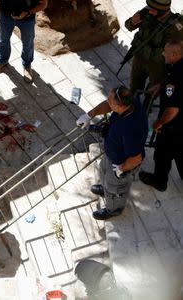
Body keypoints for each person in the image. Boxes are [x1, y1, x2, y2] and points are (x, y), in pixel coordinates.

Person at [76, 86, 148, 220]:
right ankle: (105, 188)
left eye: (110, 101)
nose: (107, 103)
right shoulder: (130, 104)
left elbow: (136, 158)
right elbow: (108, 105)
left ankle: (114, 208)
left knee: (115, 188)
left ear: (119, 106)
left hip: (120, 163)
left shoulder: (131, 129)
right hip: (112, 153)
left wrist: (121, 169)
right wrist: (89, 115)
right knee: (103, 172)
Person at [139, 40, 183, 191]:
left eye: (166, 52)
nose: (163, 53)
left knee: (162, 154)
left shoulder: (174, 79)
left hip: (174, 127)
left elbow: (172, 110)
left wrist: (159, 123)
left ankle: (159, 181)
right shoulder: (177, 69)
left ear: (174, 55)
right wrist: (162, 85)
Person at [124, 0, 183, 97]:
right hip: (139, 58)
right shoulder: (146, 12)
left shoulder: (176, 26)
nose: (149, 11)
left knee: (152, 92)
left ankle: (146, 107)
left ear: (161, 11)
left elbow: (178, 49)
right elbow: (128, 25)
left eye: (153, 9)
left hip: (158, 64)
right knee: (134, 87)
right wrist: (132, 22)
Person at [0, 0, 48, 83]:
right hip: (6, 15)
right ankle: (2, 60)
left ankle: (27, 66)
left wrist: (28, 12)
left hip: (27, 19)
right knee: (3, 40)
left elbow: (43, 4)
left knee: (27, 43)